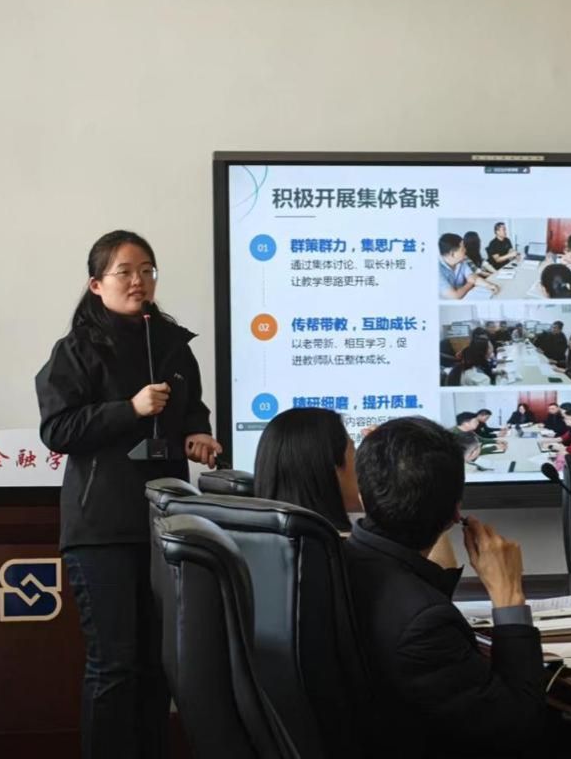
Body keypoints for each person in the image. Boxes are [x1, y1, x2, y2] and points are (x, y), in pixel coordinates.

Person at [36, 230, 223, 759]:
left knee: (159, 665)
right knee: (115, 665)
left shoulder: (173, 345)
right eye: (125, 271)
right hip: (103, 529)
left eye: (147, 270)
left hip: (166, 524)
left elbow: (192, 410)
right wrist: (130, 409)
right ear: (96, 284)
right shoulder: (76, 350)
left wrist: (199, 433)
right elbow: (57, 429)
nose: (138, 280)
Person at [344, 418, 546, 757]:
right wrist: (508, 596)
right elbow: (518, 727)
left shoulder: (338, 562)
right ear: (456, 513)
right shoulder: (423, 622)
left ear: (363, 497)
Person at [255, 408, 459, 568]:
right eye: (354, 448)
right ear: (333, 470)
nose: (363, 460)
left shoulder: (255, 547)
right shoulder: (355, 556)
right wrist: (424, 486)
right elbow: (438, 579)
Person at [439, 233, 499, 299]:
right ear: (453, 254)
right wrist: (470, 283)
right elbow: (455, 296)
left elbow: (474, 278)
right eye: (462, 249)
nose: (465, 250)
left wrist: (489, 285)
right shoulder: (437, 270)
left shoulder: (461, 262)